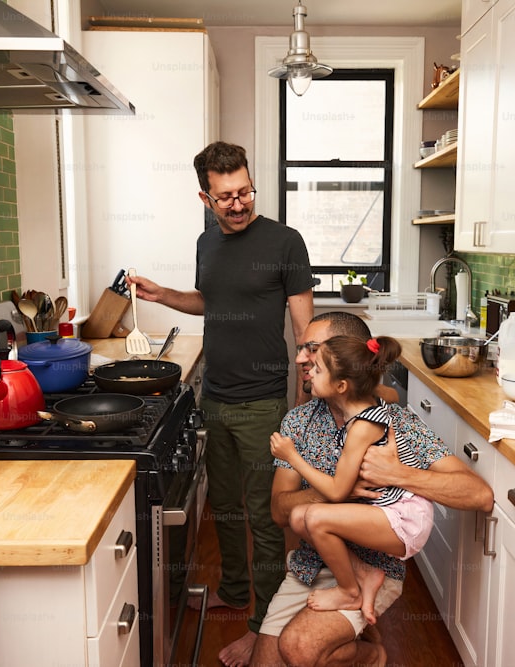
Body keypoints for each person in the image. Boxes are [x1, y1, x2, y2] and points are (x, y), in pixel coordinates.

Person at [128, 142, 315, 667]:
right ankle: (235, 591)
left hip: (263, 403)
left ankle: (266, 625)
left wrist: (302, 407)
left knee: (264, 515)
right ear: (205, 197)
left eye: (245, 192)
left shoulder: (284, 242)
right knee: (225, 508)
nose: (238, 204)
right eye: (225, 196)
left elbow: (306, 332)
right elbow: (211, 301)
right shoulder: (206, 243)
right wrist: (163, 294)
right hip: (215, 396)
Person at [251, 312, 494, 666]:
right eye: (303, 349)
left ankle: (368, 653)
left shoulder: (397, 423)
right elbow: (279, 512)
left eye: (312, 350)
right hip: (309, 562)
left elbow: (478, 494)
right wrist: (343, 492)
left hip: (377, 564)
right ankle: (358, 633)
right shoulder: (298, 422)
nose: (301, 358)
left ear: (344, 373)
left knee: (300, 648)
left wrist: (398, 473)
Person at [270, 334, 434, 626]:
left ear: (341, 386)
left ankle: (349, 592)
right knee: (298, 518)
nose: (309, 371)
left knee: (317, 518)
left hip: (405, 517)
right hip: (388, 512)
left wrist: (293, 456)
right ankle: (364, 573)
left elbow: (336, 492)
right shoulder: (359, 413)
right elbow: (390, 394)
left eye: (318, 369)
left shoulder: (362, 426)